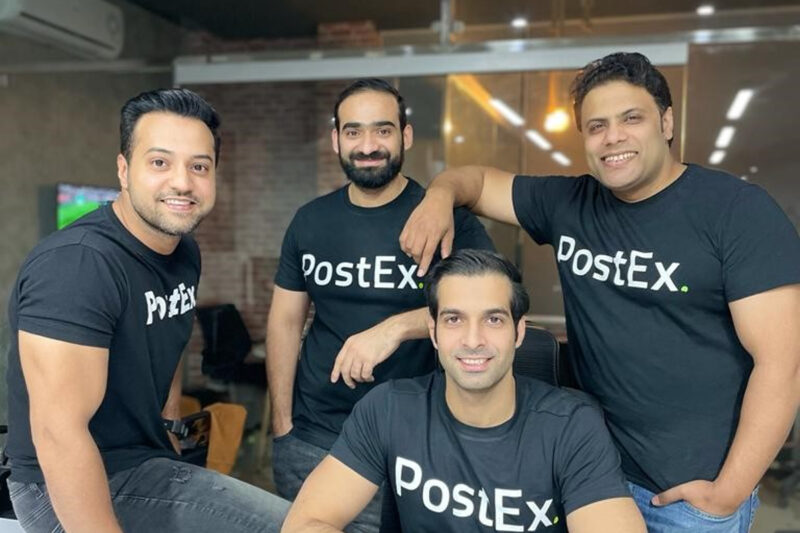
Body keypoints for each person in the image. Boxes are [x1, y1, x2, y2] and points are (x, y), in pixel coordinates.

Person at [398, 52, 800, 532]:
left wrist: (728, 492)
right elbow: (478, 181)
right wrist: (439, 195)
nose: (613, 137)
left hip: (686, 499)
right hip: (591, 479)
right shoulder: (570, 203)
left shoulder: (735, 211)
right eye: (596, 126)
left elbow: (783, 362)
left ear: (667, 122)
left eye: (631, 118)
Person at [4, 88, 289, 533]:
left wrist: (170, 424)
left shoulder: (183, 251)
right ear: (123, 170)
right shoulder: (78, 266)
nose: (182, 182)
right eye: (160, 162)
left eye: (199, 166)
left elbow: (167, 334)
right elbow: (58, 435)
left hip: (141, 462)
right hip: (59, 489)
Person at [281, 249, 647, 533]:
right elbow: (306, 522)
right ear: (434, 332)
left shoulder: (572, 427)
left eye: (493, 319)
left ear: (518, 332)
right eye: (454, 319)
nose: (473, 340)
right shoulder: (388, 409)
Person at [267, 78, 494, 532]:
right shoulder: (310, 221)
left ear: (405, 135)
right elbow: (285, 321)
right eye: (354, 131)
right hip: (313, 440)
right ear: (336, 140)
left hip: (416, 445)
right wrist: (282, 424)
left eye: (382, 130)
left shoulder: (446, 220)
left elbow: (493, 305)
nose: (368, 146)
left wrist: (395, 328)